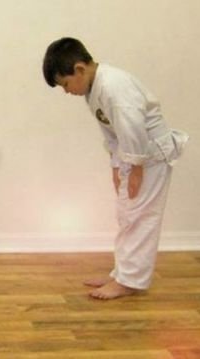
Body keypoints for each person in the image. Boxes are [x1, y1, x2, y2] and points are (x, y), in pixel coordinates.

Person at [42, 38, 188, 299]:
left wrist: (136, 168)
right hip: (133, 155)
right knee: (127, 215)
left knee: (139, 216)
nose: (66, 91)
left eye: (65, 84)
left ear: (79, 69)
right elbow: (111, 130)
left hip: (150, 155)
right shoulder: (94, 89)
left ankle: (130, 280)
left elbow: (133, 128)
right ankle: (122, 273)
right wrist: (115, 164)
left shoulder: (114, 87)